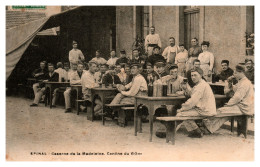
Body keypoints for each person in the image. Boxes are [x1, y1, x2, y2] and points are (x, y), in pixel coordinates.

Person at [201, 65, 254, 135]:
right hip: (241, 105)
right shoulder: (242, 81)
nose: (234, 75)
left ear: (241, 73)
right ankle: (208, 129)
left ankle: (205, 126)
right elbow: (233, 89)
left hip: (244, 107)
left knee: (220, 111)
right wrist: (229, 82)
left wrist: (228, 104)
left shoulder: (244, 83)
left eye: (235, 73)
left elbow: (237, 97)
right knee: (224, 115)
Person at [176, 68, 217, 138]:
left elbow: (192, 101)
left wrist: (182, 108)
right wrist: (185, 88)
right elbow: (192, 93)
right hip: (204, 109)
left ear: (201, 75)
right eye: (192, 75)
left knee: (181, 114)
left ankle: (196, 131)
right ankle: (195, 131)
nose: (193, 77)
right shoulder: (201, 84)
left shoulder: (201, 86)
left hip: (205, 110)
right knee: (185, 112)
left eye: (195, 75)